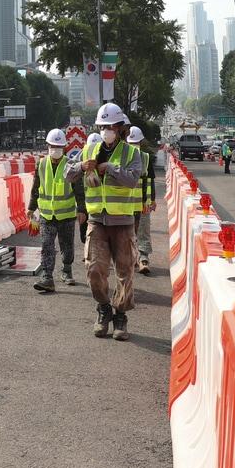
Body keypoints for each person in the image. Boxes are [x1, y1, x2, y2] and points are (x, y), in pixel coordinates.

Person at [67, 103, 143, 341]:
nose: (106, 131)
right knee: (94, 270)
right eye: (102, 126)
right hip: (97, 221)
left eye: (110, 126)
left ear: (120, 128)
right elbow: (68, 174)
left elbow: (132, 181)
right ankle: (103, 308)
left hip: (123, 223)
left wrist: (109, 168)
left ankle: (120, 315)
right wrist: (81, 166)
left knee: (125, 272)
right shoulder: (89, 149)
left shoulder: (132, 153)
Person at [28, 128, 85, 292]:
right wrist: (31, 208)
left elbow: (78, 190)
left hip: (66, 215)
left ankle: (67, 270)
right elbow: (36, 188)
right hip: (46, 215)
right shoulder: (41, 164)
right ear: (47, 146)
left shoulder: (70, 165)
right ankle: (47, 276)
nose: (55, 149)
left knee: (67, 246)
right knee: (47, 245)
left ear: (64, 147)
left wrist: (82, 209)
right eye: (52, 146)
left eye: (58, 146)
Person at [131, 126, 156, 274]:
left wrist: (151, 200)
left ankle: (143, 258)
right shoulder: (121, 159)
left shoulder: (145, 158)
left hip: (142, 203)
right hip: (125, 203)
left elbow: (150, 181)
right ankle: (130, 257)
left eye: (136, 142)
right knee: (127, 233)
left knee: (143, 231)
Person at [79, 132, 102, 246]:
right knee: (84, 233)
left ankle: (91, 254)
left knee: (97, 234)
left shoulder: (105, 159)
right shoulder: (81, 158)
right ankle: (88, 252)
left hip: (100, 206)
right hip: (85, 203)